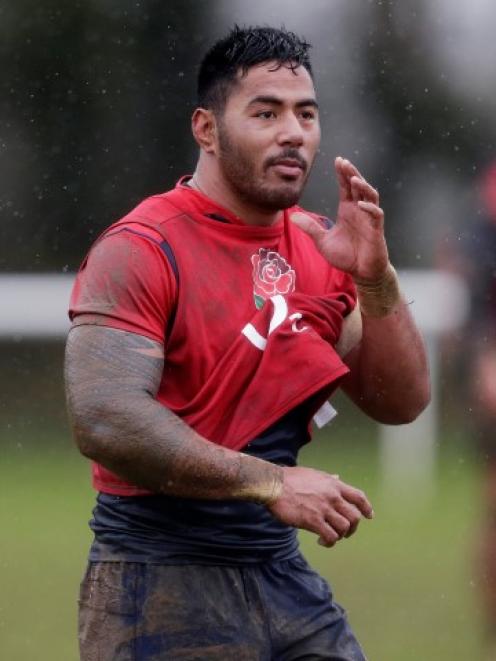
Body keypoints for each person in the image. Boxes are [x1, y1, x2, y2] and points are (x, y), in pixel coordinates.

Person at [65, 26, 430, 660]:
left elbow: (400, 402)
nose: (293, 132)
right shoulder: (142, 248)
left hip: (279, 573)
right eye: (266, 112)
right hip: (157, 575)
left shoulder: (320, 246)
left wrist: (376, 279)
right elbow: (105, 418)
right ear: (206, 129)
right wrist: (274, 484)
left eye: (306, 114)